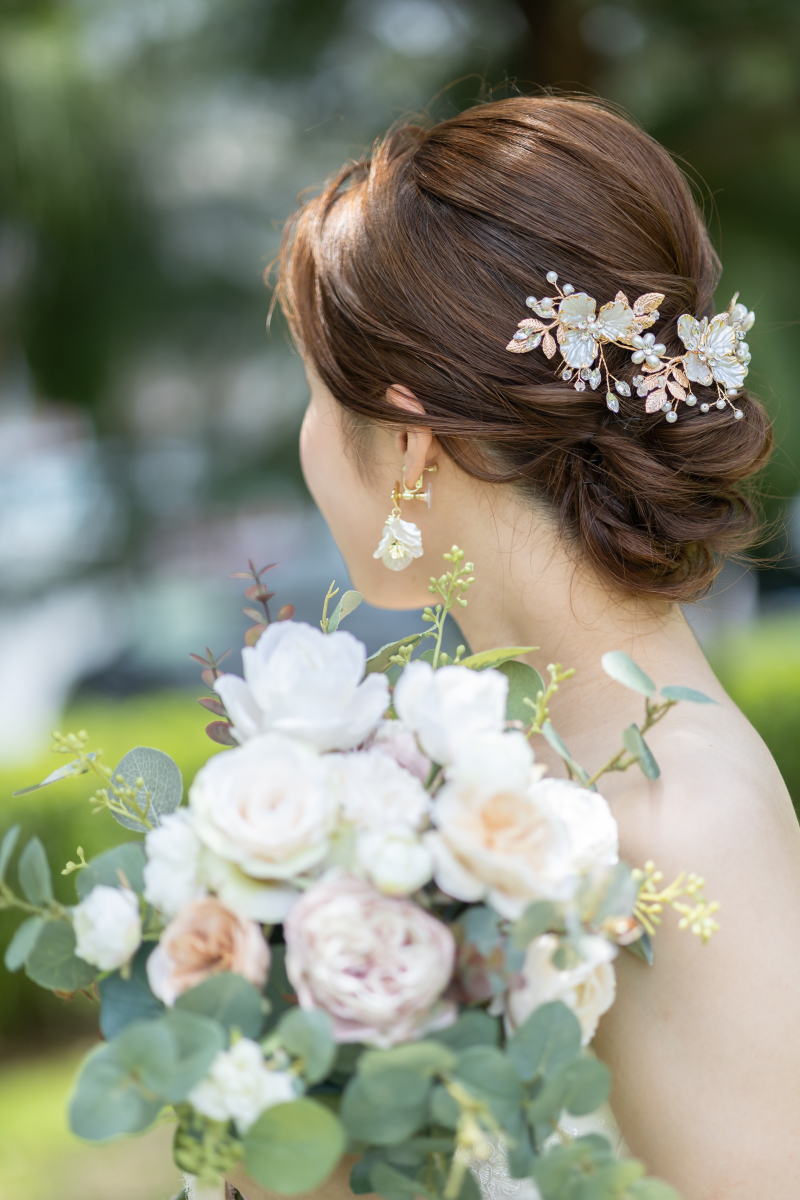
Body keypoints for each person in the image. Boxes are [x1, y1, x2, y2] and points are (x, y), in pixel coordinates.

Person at [226, 96, 800, 1200]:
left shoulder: (680, 823)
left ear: (408, 442)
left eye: (313, 394)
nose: (308, 441)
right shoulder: (486, 778)